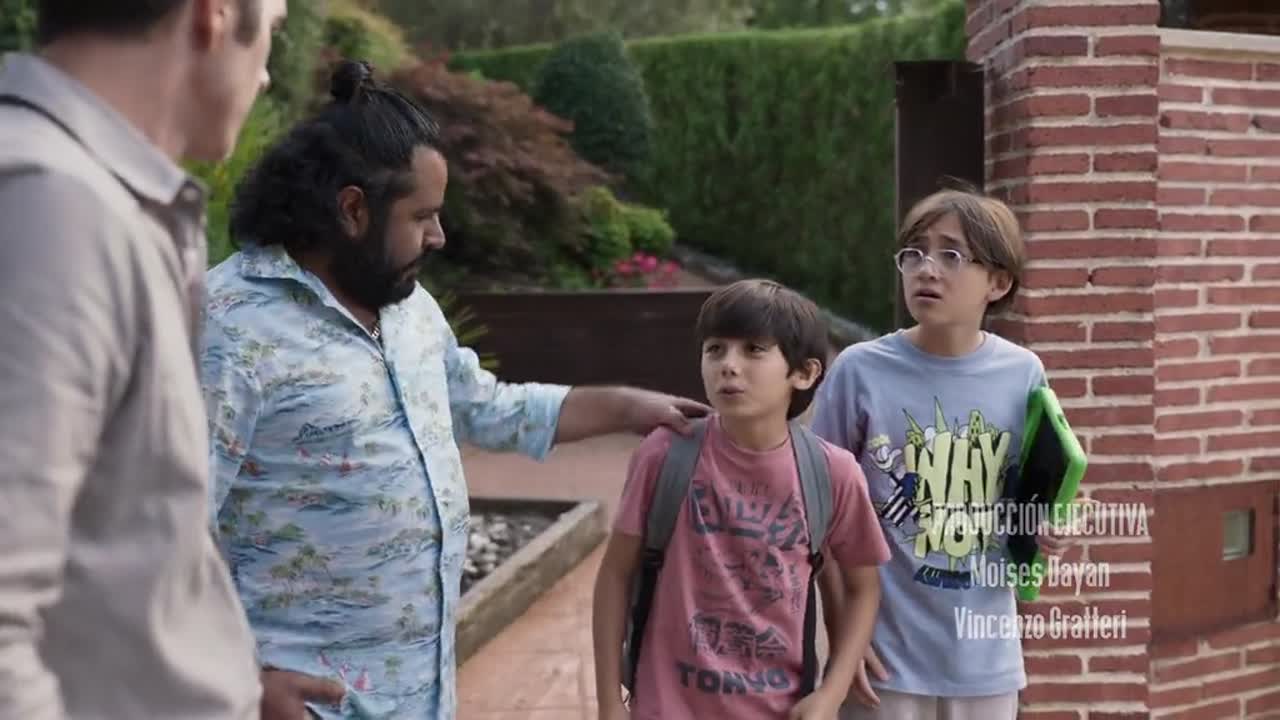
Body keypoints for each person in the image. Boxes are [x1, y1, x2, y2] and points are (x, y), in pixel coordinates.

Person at [201, 59, 711, 720]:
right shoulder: (229, 324)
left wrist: (625, 408)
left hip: (421, 698)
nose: (438, 237)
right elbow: (157, 529)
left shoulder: (408, 309)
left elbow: (488, 407)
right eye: (423, 216)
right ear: (352, 209)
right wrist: (241, 679)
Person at [0, 1, 286, 718]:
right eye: (273, 28)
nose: (268, 74)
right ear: (213, 15)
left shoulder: (90, 199)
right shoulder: (53, 208)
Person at [810, 188, 1075, 720]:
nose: (926, 269)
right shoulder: (859, 371)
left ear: (997, 282)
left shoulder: (1024, 373)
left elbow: (1028, 502)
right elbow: (820, 518)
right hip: (882, 662)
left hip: (986, 664)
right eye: (914, 253)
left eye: (951, 255)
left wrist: (1046, 530)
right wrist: (843, 638)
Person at [592, 278, 892, 720]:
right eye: (715, 349)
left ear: (804, 373)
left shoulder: (832, 472)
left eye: (754, 350)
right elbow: (615, 575)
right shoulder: (665, 454)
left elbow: (864, 588)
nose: (728, 366)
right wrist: (608, 702)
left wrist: (831, 693)